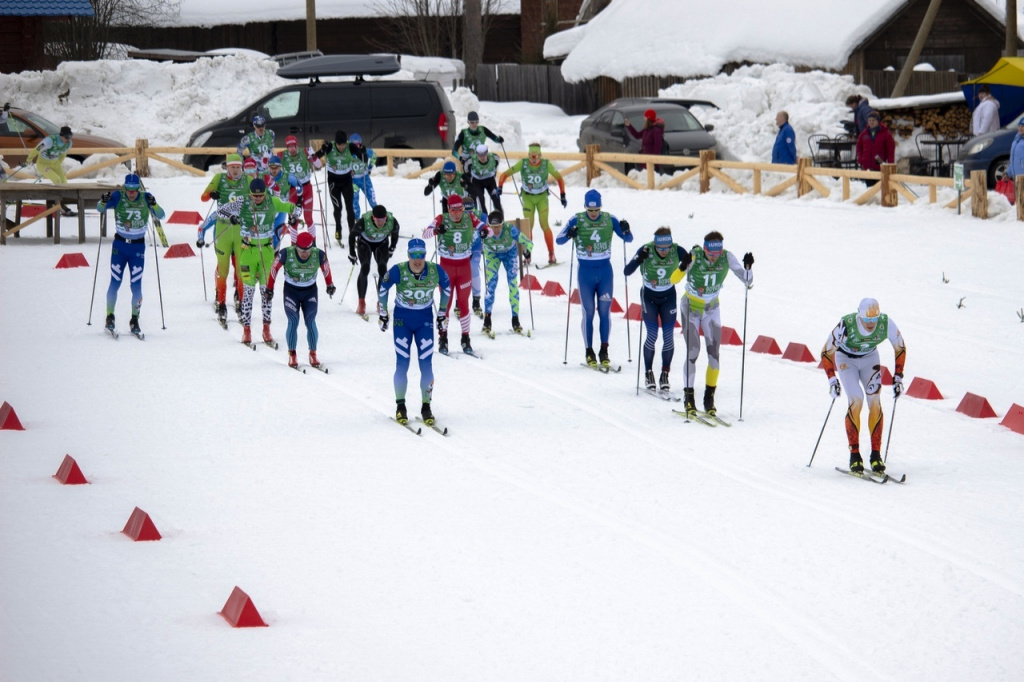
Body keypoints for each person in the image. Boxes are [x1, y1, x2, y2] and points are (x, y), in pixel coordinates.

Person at [203, 178, 302, 345]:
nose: (257, 199)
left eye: (260, 196)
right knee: (248, 292)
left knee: (266, 292)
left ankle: (266, 329)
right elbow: (220, 212)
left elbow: (296, 209)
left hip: (267, 251)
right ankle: (247, 330)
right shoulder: (242, 201)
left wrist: (293, 218)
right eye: (254, 196)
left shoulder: (273, 201)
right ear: (250, 194)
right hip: (247, 251)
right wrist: (233, 218)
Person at [820, 297, 906, 474]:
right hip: (846, 360)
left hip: (869, 358)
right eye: (867, 320)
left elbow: (900, 347)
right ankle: (855, 455)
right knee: (856, 400)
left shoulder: (885, 323)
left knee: (874, 400)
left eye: (874, 320)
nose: (870, 324)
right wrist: (832, 380)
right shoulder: (847, 324)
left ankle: (876, 455)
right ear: (859, 316)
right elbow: (826, 352)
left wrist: (898, 377)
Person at [671, 231, 753, 417]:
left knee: (714, 356)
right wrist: (683, 266)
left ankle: (709, 399)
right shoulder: (694, 256)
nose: (714, 258)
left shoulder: (727, 257)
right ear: (705, 249)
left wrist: (748, 267)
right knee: (693, 351)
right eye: (710, 254)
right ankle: (689, 397)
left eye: (717, 253)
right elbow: (673, 280)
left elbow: (747, 281)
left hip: (712, 309)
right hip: (691, 306)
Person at [377, 238, 452, 426]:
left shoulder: (435, 270)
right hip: (402, 320)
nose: (417, 260)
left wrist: (442, 313)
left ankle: (426, 407)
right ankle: (400, 407)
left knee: (426, 365)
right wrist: (383, 313)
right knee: (402, 363)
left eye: (421, 255)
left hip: (424, 320)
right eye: (413, 255)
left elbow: (447, 288)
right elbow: (383, 287)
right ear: (408, 255)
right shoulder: (399, 269)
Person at [556, 189, 633, 367]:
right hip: (586, 273)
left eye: (596, 210)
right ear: (585, 208)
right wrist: (569, 234)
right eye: (590, 211)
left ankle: (604, 350)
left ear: (600, 207)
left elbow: (628, 239)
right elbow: (559, 239)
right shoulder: (577, 219)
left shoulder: (609, 218)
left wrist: (626, 229)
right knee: (588, 312)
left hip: (605, 272)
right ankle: (589, 351)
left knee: (605, 312)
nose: (593, 214)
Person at [624, 227, 692, 392]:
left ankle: (664, 374)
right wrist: (639, 259)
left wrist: (689, 260)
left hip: (668, 297)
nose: (664, 252)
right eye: (660, 248)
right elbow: (627, 271)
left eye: (666, 248)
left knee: (668, 336)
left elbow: (694, 266)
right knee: (653, 334)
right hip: (649, 297)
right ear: (655, 245)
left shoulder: (677, 250)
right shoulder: (646, 249)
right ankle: (648, 372)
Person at [96, 174, 166, 336]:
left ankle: (135, 319)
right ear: (125, 187)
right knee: (115, 282)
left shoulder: (146, 197)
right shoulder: (118, 196)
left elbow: (161, 215)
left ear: (139, 189)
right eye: (129, 190)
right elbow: (100, 209)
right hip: (119, 247)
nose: (132, 193)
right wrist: (103, 201)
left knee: (136, 286)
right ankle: (110, 317)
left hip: (137, 249)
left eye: (135, 190)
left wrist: (154, 205)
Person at [422, 194, 486, 355]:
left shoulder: (469, 217)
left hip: (464, 266)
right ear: (448, 209)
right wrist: (437, 230)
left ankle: (466, 338)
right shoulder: (441, 218)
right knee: (446, 303)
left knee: (464, 303)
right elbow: (425, 234)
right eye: (454, 210)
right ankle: (443, 337)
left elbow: (487, 229)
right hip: (447, 267)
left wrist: (485, 231)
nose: (457, 213)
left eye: (460, 209)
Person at [266, 231, 336, 369]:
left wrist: (330, 285)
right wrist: (269, 288)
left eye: (307, 251)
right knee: (293, 320)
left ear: (312, 248)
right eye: (301, 251)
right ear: (295, 247)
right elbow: (274, 269)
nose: (304, 254)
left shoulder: (319, 254)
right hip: (291, 292)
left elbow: (326, 270)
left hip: (310, 291)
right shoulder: (287, 253)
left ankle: (313, 353)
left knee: (310, 321)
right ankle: (292, 354)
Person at [198, 153, 249, 324]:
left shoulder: (247, 180)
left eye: (238, 167)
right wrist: (212, 194)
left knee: (242, 269)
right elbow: (203, 197)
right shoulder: (219, 178)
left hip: (241, 230)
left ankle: (241, 303)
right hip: (222, 229)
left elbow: (260, 198)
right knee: (223, 268)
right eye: (232, 167)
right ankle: (221, 304)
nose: (235, 171)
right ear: (227, 167)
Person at [497, 142, 566, 265]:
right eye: (531, 157)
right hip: (528, 198)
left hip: (542, 198)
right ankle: (527, 253)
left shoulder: (546, 164)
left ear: (540, 155)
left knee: (544, 224)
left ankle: (551, 253)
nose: (533, 160)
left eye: (536, 157)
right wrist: (500, 187)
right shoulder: (523, 163)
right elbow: (504, 174)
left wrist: (563, 195)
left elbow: (559, 178)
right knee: (528, 226)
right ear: (528, 155)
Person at [479, 210, 533, 335]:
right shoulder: (485, 231)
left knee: (513, 284)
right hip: (492, 254)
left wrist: (527, 251)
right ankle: (487, 320)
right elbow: (470, 242)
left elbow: (528, 242)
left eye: (498, 226)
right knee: (491, 285)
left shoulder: (510, 229)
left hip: (510, 254)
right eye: (493, 227)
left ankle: (515, 319)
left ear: (503, 224)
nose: (496, 230)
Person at [349, 204, 401, 317]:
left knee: (383, 269)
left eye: (382, 220)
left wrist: (392, 247)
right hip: (364, 243)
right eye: (378, 220)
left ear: (386, 218)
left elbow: (395, 234)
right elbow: (352, 236)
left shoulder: (392, 222)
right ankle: (361, 302)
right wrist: (352, 253)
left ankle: (381, 302)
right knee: (365, 267)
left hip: (381, 244)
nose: (380, 223)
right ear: (373, 217)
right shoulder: (364, 222)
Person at [317, 130, 357, 244]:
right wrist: (322, 149)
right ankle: (338, 228)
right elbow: (316, 157)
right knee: (338, 207)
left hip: (347, 180)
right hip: (333, 181)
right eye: (339, 145)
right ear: (336, 143)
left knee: (350, 207)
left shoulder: (350, 146)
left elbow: (361, 155)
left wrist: (362, 151)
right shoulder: (330, 146)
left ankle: (352, 232)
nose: (341, 147)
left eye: (343, 144)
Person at [26, 124, 75, 215]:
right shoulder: (49, 141)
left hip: (55, 163)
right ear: (61, 135)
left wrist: (57, 164)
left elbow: (63, 154)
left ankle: (62, 204)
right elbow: (37, 149)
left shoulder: (69, 143)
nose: (68, 139)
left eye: (70, 137)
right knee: (57, 180)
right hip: (43, 164)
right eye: (66, 137)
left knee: (64, 182)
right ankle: (57, 205)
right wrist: (29, 159)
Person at [280, 134, 322, 237]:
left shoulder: (304, 151)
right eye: (289, 147)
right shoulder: (282, 155)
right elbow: (270, 164)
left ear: (296, 145)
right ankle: (293, 244)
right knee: (294, 220)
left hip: (306, 188)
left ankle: (313, 243)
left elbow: (319, 165)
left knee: (308, 218)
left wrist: (313, 155)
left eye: (293, 146)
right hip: (293, 190)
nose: (292, 149)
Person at [856, 110, 894, 186]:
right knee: (869, 188)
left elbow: (890, 150)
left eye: (873, 120)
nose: (871, 122)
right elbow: (859, 147)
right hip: (867, 166)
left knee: (879, 187)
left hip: (879, 166)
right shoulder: (864, 133)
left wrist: (890, 164)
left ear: (878, 121)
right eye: (869, 120)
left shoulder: (886, 134)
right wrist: (861, 159)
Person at [464, 143, 502, 214]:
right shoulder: (471, 160)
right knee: (481, 199)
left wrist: (493, 174)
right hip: (477, 181)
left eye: (484, 155)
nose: (482, 157)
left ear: (487, 153)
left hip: (490, 180)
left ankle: (500, 218)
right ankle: (485, 219)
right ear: (477, 154)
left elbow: (496, 164)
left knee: (496, 199)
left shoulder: (494, 157)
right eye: (480, 155)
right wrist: (469, 178)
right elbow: (466, 169)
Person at [348, 133, 377, 220]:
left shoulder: (366, 151)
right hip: (353, 181)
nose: (356, 146)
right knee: (354, 200)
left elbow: (374, 156)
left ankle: (378, 216)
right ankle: (356, 219)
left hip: (364, 178)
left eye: (357, 144)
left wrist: (370, 168)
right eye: (353, 145)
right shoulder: (348, 153)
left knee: (372, 198)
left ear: (360, 143)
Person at [1006, 117, 1024, 183]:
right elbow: (1013, 159)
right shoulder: (1016, 140)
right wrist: (1008, 173)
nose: (1020, 128)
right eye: (1019, 126)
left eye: (1022, 126)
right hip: (1016, 177)